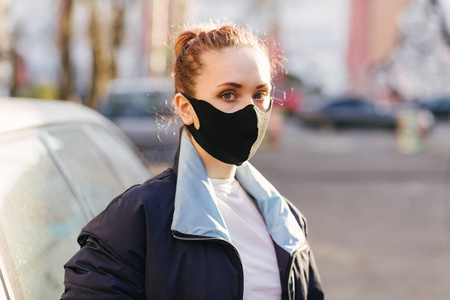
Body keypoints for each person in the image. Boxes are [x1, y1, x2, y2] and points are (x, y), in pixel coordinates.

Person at [61, 23, 324, 300]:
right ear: (186, 108)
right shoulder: (139, 217)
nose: (251, 110)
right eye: (228, 95)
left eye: (259, 94)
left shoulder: (286, 219)